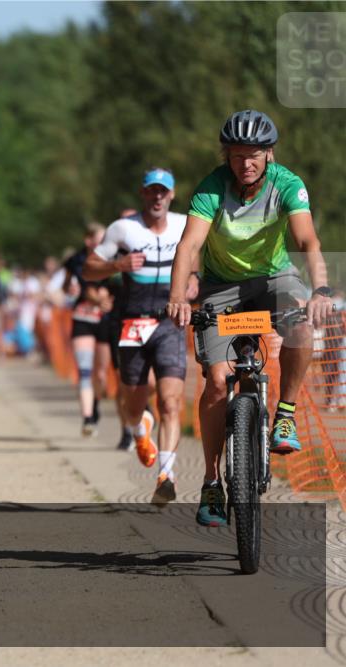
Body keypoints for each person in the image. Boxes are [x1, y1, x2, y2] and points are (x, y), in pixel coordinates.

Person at [167, 109, 335, 526]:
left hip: (273, 279)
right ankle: (210, 482)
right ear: (227, 156)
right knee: (216, 383)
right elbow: (189, 245)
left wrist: (320, 289)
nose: (246, 163)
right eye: (237, 155)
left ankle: (285, 415)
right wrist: (177, 297)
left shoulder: (288, 184)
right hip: (221, 287)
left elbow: (306, 238)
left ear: (269, 154)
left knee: (299, 327)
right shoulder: (211, 188)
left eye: (254, 155)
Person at [84, 168, 199, 505]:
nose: (158, 197)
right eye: (152, 191)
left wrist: (194, 280)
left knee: (171, 401)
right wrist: (117, 266)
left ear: (172, 195)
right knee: (132, 400)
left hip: (170, 322)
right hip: (132, 322)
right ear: (142, 193)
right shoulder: (124, 228)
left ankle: (167, 475)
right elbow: (89, 268)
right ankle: (138, 428)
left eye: (163, 191)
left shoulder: (184, 225)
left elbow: (197, 259)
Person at [63, 223, 109, 436]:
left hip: (104, 320)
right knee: (84, 371)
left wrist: (108, 299)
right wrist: (71, 289)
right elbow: (69, 286)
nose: (101, 244)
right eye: (98, 239)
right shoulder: (76, 261)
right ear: (88, 240)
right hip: (82, 317)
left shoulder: (113, 257)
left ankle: (96, 405)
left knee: (100, 374)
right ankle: (88, 418)